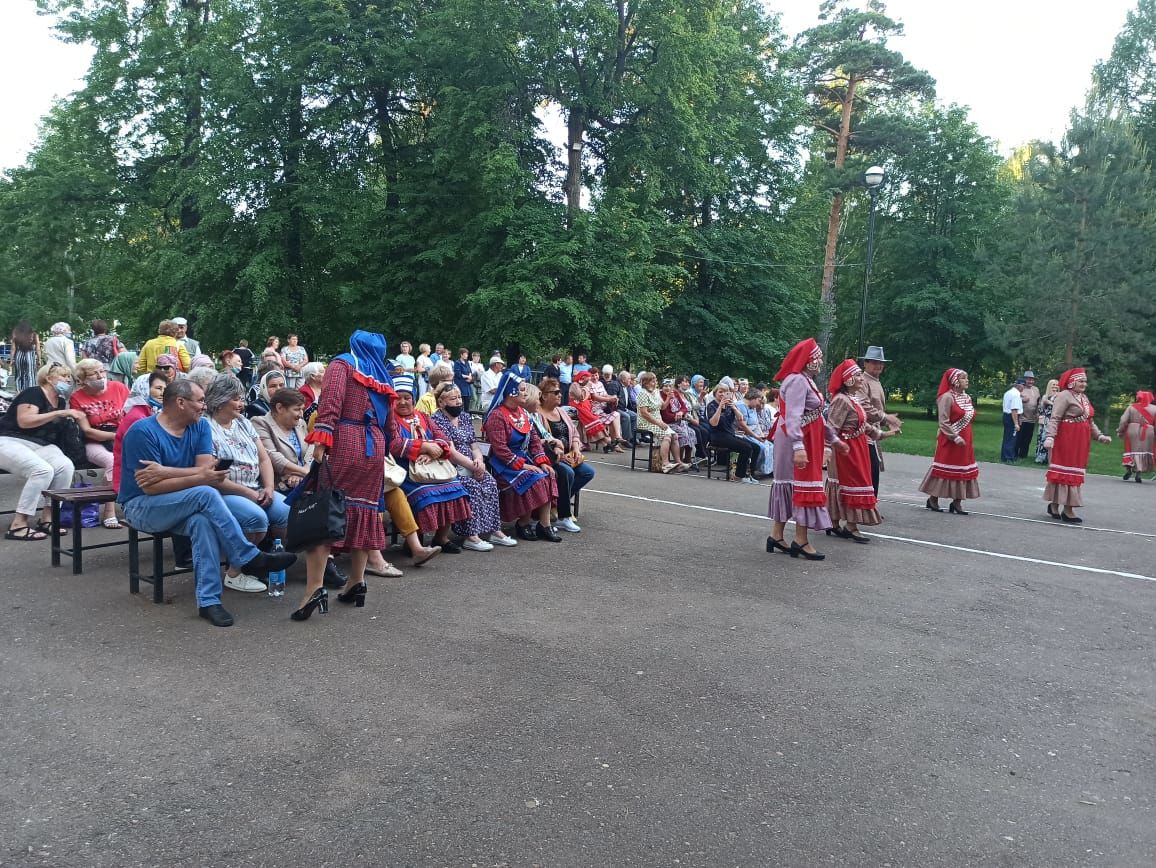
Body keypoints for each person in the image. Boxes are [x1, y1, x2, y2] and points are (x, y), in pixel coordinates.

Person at [118, 379, 297, 626]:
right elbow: (151, 486)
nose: (205, 406)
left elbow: (205, 472)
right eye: (200, 400)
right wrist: (194, 476)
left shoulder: (200, 427)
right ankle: (248, 556)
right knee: (205, 493)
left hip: (183, 500)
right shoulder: (142, 432)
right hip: (142, 505)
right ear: (180, 403)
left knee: (202, 521)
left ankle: (209, 601)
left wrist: (167, 471)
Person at [204, 374, 292, 594]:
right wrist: (250, 494)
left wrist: (269, 487)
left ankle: (271, 560)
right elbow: (213, 475)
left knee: (286, 510)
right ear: (220, 399)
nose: (241, 403)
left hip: (254, 487)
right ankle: (234, 573)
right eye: (235, 398)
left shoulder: (243, 423)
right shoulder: (206, 428)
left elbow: (264, 459)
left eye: (241, 398)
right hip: (223, 490)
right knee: (256, 518)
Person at [767, 339, 845, 560]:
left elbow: (817, 417)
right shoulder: (797, 382)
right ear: (809, 361)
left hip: (804, 438)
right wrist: (799, 447)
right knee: (801, 487)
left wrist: (834, 439)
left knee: (795, 487)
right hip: (796, 440)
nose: (820, 362)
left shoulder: (806, 381)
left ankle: (776, 536)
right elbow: (793, 416)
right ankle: (800, 540)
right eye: (817, 358)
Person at [390, 375, 472, 553]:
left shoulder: (423, 416)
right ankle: (414, 541)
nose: (403, 402)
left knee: (456, 489)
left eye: (407, 397)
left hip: (432, 466)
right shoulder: (390, 419)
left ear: (413, 398)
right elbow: (393, 444)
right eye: (398, 398)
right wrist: (424, 446)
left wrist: (433, 452)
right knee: (425, 496)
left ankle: (441, 538)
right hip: (405, 470)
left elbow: (442, 437)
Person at [430, 383, 516, 549]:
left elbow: (474, 444)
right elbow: (451, 452)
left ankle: (495, 531)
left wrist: (480, 462)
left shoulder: (464, 417)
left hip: (472, 464)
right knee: (472, 487)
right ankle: (471, 536)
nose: (458, 402)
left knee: (490, 483)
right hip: (451, 467)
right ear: (441, 402)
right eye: (453, 399)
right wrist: (474, 466)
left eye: (459, 397)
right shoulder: (436, 420)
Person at [0, 362, 80, 540]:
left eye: (69, 377)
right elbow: (25, 421)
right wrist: (59, 414)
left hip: (40, 445)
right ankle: (18, 525)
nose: (68, 380)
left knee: (65, 466)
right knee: (42, 470)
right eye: (63, 376)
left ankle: (47, 519)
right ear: (48, 378)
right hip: (10, 440)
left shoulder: (59, 401)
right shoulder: (34, 392)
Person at [482, 371, 561, 541]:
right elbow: (500, 449)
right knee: (535, 478)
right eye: (523, 389)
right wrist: (523, 465)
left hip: (523, 458)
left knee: (548, 474)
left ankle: (544, 525)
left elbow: (533, 440)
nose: (526, 393)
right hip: (503, 465)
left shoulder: (523, 414)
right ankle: (523, 523)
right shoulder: (497, 416)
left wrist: (542, 461)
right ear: (511, 392)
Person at [824, 360, 884, 542]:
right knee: (846, 483)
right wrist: (827, 449)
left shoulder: (853, 399)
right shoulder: (841, 400)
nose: (860, 379)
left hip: (856, 448)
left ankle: (840, 524)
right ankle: (846, 525)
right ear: (848, 380)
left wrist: (882, 433)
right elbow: (831, 427)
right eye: (857, 375)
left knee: (853, 483)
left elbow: (863, 424)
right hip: (844, 450)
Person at [1042, 368, 1111, 522]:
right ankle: (1068, 510)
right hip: (1066, 438)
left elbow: (1089, 420)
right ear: (1072, 382)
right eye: (1081, 381)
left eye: (1085, 381)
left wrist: (1099, 436)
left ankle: (1054, 505)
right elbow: (1055, 417)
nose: (1084, 384)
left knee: (1072, 473)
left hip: (1080, 440)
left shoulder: (1084, 398)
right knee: (1065, 472)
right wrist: (1050, 436)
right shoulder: (1064, 395)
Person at [70, 359, 131, 527]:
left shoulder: (118, 388)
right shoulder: (77, 398)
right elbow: (88, 431)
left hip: (121, 436)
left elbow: (132, 414)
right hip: (93, 441)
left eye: (102, 371)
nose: (100, 376)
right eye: (93, 373)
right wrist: (115, 437)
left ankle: (136, 507)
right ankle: (109, 511)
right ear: (82, 380)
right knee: (112, 461)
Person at [532, 377, 593, 533]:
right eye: (556, 392)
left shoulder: (560, 411)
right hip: (552, 457)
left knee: (587, 472)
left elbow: (574, 433)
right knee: (567, 472)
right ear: (544, 395)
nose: (560, 395)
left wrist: (576, 450)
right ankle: (564, 517)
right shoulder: (537, 415)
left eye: (560, 392)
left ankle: (556, 504)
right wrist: (557, 452)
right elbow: (538, 442)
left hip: (568, 454)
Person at [920, 368, 981, 516]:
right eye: (963, 378)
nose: (967, 381)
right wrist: (955, 436)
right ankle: (933, 498)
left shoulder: (967, 398)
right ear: (955, 381)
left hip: (966, 440)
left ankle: (957, 502)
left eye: (966, 378)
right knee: (945, 469)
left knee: (962, 469)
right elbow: (943, 422)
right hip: (950, 440)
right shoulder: (947, 397)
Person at [857, 346, 902, 496]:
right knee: (869, 470)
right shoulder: (863, 381)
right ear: (866, 363)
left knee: (873, 470)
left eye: (881, 363)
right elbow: (863, 407)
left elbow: (876, 408)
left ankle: (870, 506)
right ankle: (866, 508)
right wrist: (885, 417)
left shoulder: (875, 381)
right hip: (863, 432)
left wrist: (887, 421)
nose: (879, 365)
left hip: (873, 431)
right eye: (875, 362)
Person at [113, 373, 167, 492]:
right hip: (132, 478)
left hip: (146, 472)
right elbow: (141, 456)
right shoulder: (137, 417)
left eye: (165, 389)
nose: (163, 393)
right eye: (158, 388)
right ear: (144, 388)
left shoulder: (151, 412)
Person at [706, 382, 759, 482]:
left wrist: (734, 408)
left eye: (725, 392)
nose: (722, 394)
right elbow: (713, 423)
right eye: (720, 392)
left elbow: (740, 418)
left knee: (756, 447)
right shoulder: (711, 406)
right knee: (746, 448)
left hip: (730, 434)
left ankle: (750, 474)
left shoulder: (730, 405)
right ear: (715, 393)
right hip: (718, 436)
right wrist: (720, 407)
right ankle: (739, 476)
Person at [637, 371, 684, 472]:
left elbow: (662, 407)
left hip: (657, 421)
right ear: (645, 383)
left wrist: (668, 398)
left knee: (674, 435)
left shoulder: (656, 392)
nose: (655, 383)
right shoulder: (642, 393)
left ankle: (679, 463)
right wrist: (659, 423)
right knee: (666, 435)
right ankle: (665, 464)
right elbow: (644, 413)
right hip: (645, 422)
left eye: (655, 381)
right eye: (652, 381)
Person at [582, 370, 625, 450]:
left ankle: (617, 438)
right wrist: (609, 400)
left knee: (616, 415)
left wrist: (613, 397)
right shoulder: (589, 385)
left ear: (599, 375)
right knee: (615, 416)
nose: (595, 377)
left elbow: (605, 394)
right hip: (594, 412)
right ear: (589, 377)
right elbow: (595, 397)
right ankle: (614, 443)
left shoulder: (600, 384)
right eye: (592, 376)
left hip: (602, 410)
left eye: (596, 375)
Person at [1118, 390, 1155, 482]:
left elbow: (1123, 420)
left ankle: (1129, 470)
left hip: (1132, 430)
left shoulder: (1131, 407)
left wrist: (1120, 431)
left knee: (1130, 450)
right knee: (1143, 452)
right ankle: (1138, 474)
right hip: (1148, 432)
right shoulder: (1155, 408)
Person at [660, 377, 697, 468]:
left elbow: (684, 407)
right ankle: (679, 461)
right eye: (665, 386)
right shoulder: (660, 395)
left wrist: (681, 412)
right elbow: (665, 415)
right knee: (683, 433)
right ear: (661, 387)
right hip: (669, 423)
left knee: (692, 432)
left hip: (679, 420)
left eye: (670, 386)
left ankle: (687, 458)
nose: (668, 388)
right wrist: (676, 416)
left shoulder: (675, 393)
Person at [1034, 379, 1060, 465]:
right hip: (1044, 420)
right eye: (1053, 385)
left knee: (1050, 439)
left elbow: (1058, 407)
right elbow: (1041, 408)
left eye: (1056, 385)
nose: (1055, 387)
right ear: (1049, 386)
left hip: (1053, 421)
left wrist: (1049, 402)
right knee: (1042, 438)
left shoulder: (1059, 396)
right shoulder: (1045, 396)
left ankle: (1051, 458)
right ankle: (1040, 458)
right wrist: (1045, 402)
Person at [10, 320, 41, 392]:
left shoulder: (16, 334)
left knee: (19, 375)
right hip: (30, 356)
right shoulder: (34, 335)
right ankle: (30, 392)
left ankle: (19, 392)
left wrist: (11, 360)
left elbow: (13, 349)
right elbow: (38, 348)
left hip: (19, 356)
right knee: (31, 374)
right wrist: (39, 359)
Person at [1016, 371, 1041, 459]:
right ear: (1025, 379)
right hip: (1022, 418)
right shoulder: (1021, 388)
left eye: (1032, 380)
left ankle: (1023, 455)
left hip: (1032, 418)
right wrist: (1022, 399)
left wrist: (1038, 411)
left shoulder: (1036, 389)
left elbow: (1038, 401)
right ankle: (1016, 454)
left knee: (1028, 438)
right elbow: (1015, 398)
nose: (1031, 381)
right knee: (1020, 437)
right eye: (1029, 379)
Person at [1001, 378, 1025, 463]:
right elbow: (1014, 410)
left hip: (1006, 416)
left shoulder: (1008, 392)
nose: (1024, 387)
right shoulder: (1016, 395)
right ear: (1019, 385)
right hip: (1012, 417)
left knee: (1007, 437)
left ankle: (1004, 456)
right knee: (1012, 438)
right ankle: (1009, 457)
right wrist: (1016, 423)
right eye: (1023, 385)